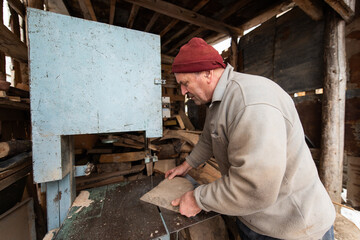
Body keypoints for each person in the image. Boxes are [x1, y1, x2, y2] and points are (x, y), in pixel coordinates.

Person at [165, 37, 336, 240]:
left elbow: (255, 187)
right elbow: (209, 139)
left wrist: (197, 199)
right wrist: (186, 165)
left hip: (292, 227)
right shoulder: (217, 101)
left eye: (185, 84)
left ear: (207, 74)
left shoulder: (251, 105)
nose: (183, 92)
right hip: (254, 218)